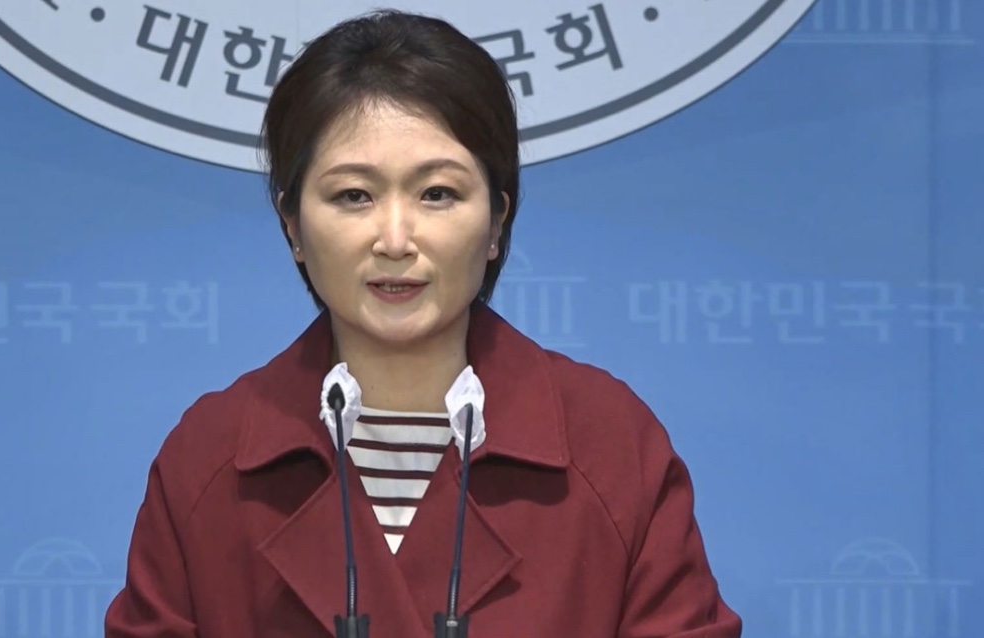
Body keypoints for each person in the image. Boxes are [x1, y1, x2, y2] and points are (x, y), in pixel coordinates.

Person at [105, 9, 741, 638]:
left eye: (437, 193)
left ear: (495, 222)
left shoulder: (610, 445)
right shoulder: (209, 458)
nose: (395, 240)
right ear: (293, 224)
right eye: (353, 195)